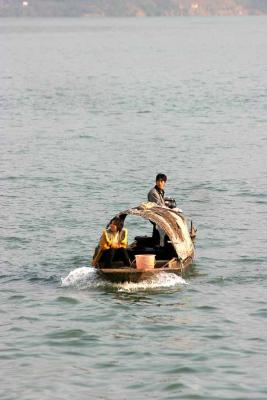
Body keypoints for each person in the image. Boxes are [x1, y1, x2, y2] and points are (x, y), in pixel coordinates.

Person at [147, 173, 168, 246]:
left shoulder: (160, 191)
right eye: (158, 181)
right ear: (155, 182)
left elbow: (161, 203)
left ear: (165, 182)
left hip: (159, 215)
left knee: (157, 233)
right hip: (155, 215)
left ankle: (158, 245)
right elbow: (158, 206)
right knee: (157, 233)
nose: (160, 183)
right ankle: (157, 246)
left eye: (162, 181)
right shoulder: (153, 192)